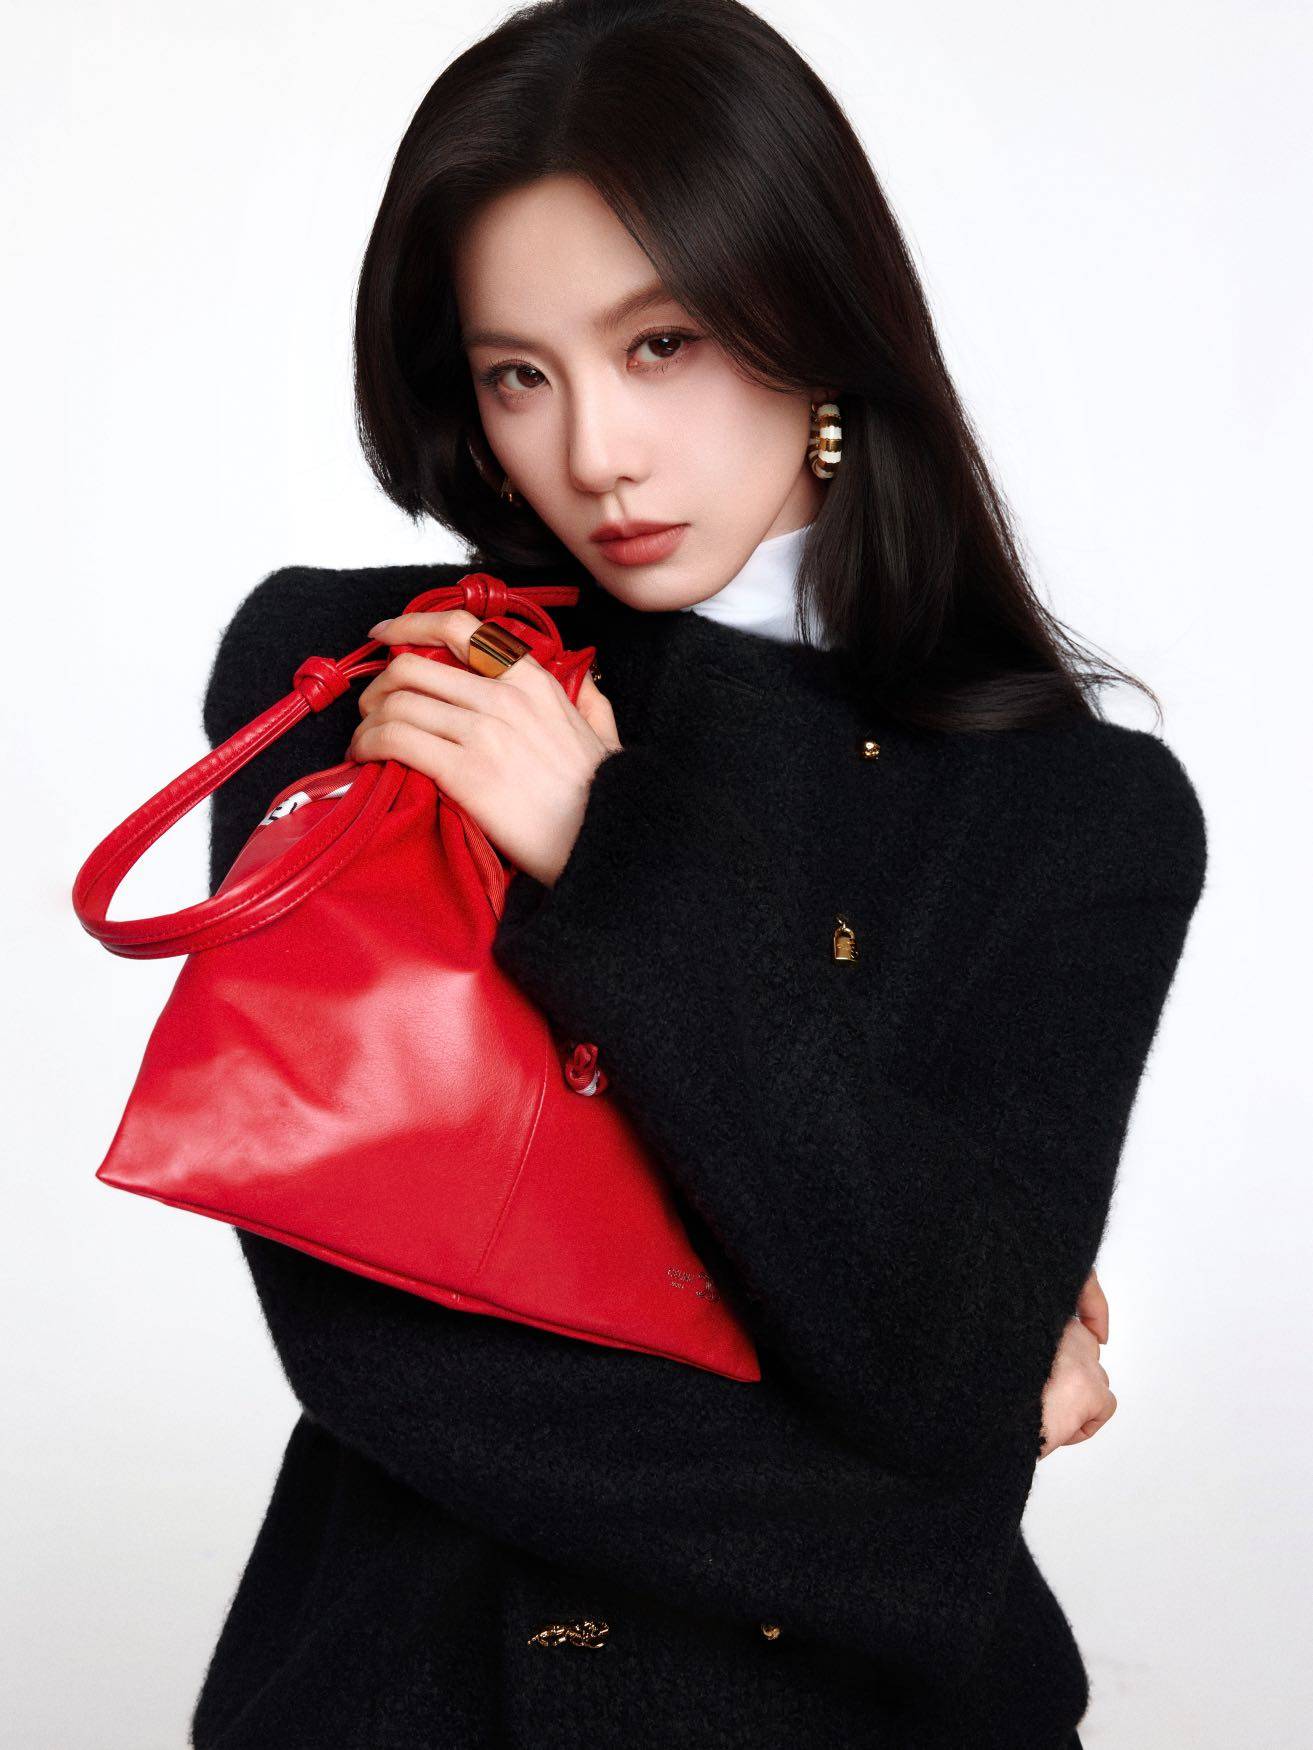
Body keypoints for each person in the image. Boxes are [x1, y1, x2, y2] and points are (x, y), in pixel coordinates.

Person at [188, 2, 1206, 1745]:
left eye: (659, 343)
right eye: (518, 373)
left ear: (817, 321)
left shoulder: (1077, 812)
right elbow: (384, 1330)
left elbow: (936, 1339)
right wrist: (933, 1497)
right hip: (401, 1693)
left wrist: (610, 847)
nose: (594, 452)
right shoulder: (378, 677)